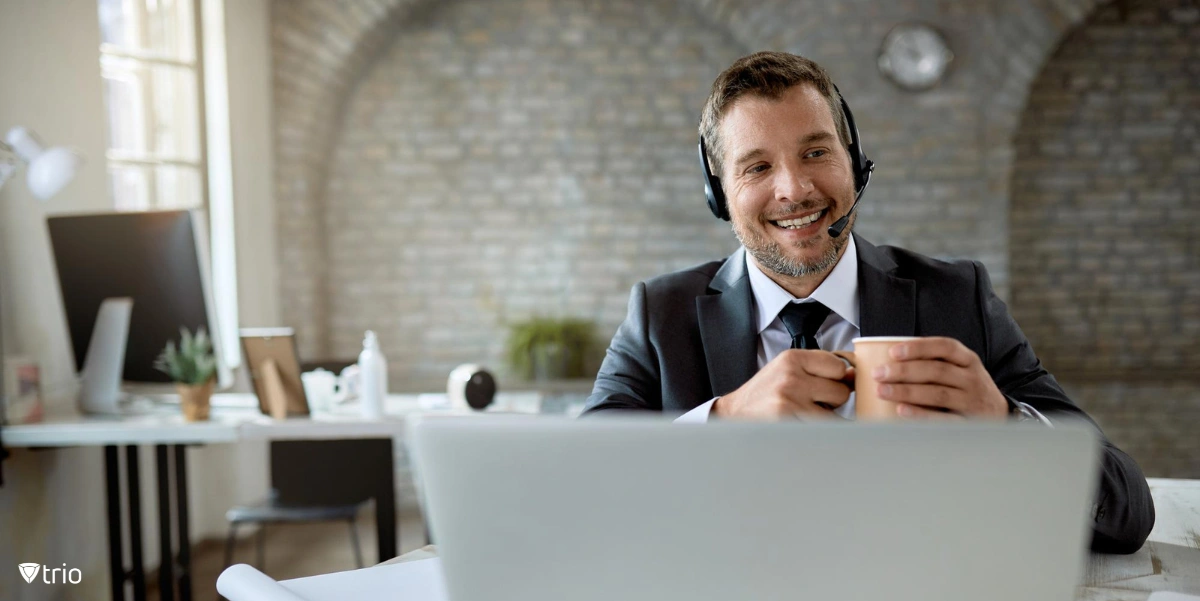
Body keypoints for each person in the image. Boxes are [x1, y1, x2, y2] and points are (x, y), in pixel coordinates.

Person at [582, 51, 1154, 554]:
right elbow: (575, 492)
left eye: (815, 153)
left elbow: (1126, 511)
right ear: (719, 195)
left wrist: (1005, 423)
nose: (795, 189)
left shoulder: (958, 299)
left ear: (854, 163)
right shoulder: (661, 315)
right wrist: (724, 420)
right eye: (758, 167)